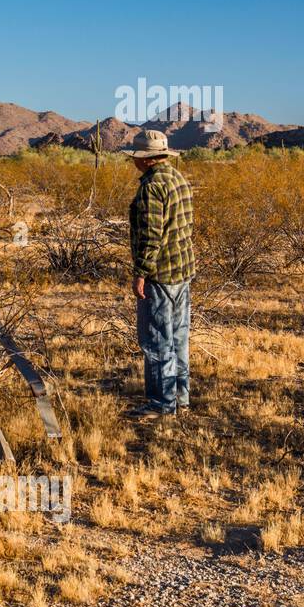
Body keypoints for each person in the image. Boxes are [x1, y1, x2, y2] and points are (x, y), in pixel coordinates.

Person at [125, 128, 194, 419]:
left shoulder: (152, 186)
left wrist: (141, 272)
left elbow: (151, 236)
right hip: (182, 270)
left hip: (160, 274)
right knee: (178, 336)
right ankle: (180, 397)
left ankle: (161, 403)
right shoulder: (179, 179)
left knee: (156, 340)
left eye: (137, 157)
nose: (134, 162)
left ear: (147, 159)